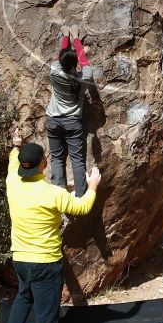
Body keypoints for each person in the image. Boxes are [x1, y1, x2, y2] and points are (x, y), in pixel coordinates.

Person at [2, 129, 102, 323]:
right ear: (43, 164)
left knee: (24, 296)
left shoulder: (12, 181)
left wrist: (16, 144)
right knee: (47, 318)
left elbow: (13, 158)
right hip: (45, 264)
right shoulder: (51, 193)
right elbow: (82, 206)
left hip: (21, 260)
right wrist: (92, 186)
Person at [46, 24, 92, 198]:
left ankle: (59, 198)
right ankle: (80, 198)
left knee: (57, 159)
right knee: (77, 161)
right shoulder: (85, 76)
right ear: (77, 65)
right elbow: (84, 63)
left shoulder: (55, 71)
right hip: (73, 122)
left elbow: (62, 57)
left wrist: (66, 37)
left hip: (53, 120)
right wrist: (77, 39)